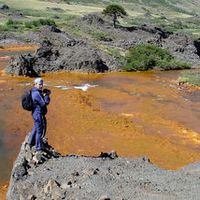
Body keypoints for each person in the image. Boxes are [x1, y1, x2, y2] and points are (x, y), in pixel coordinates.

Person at [28, 78, 51, 152]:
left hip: (35, 113)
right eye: (40, 84)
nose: (41, 86)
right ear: (35, 84)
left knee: (36, 127)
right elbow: (44, 104)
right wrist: (47, 96)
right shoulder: (36, 93)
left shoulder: (34, 91)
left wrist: (43, 95)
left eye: (42, 84)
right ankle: (38, 148)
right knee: (39, 131)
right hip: (38, 114)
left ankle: (31, 143)